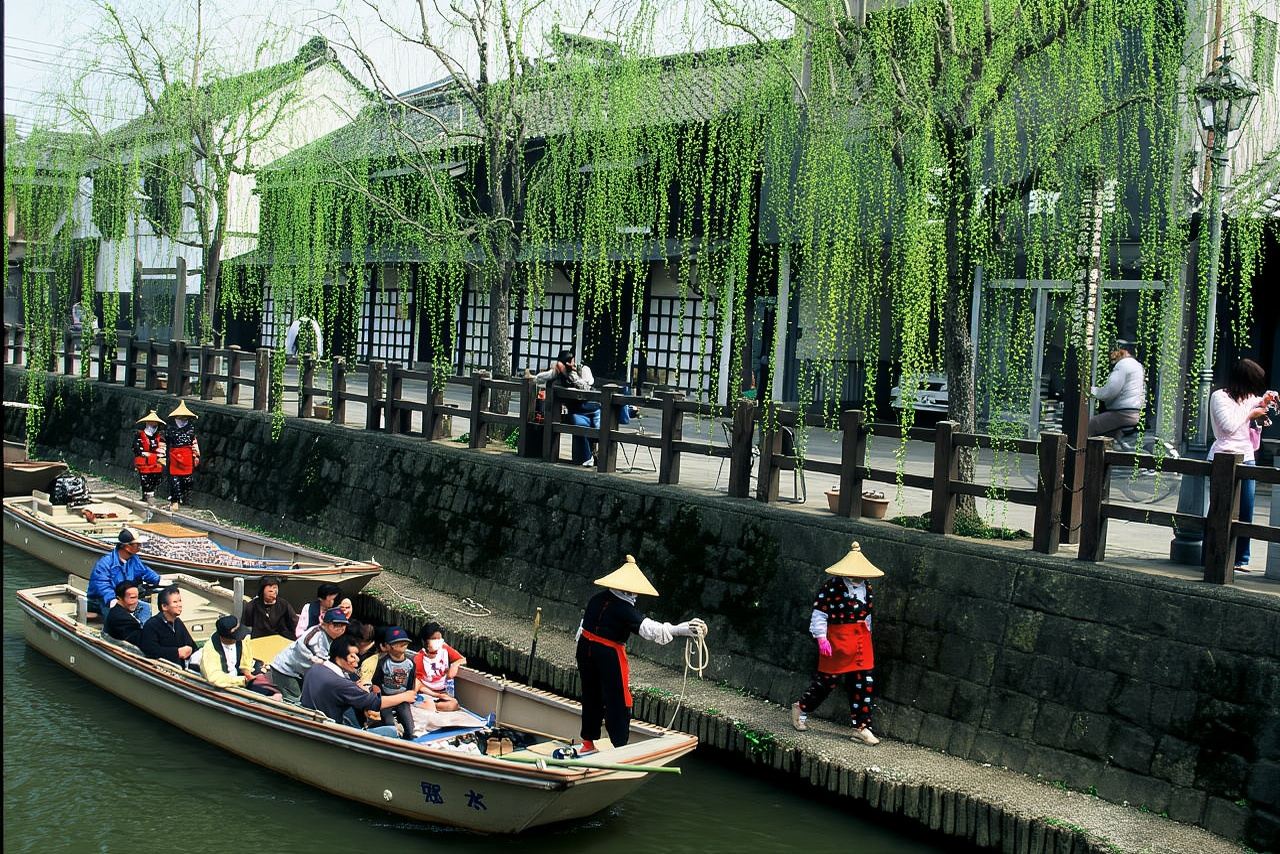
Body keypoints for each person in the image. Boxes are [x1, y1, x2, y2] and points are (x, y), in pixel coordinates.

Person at [573, 555, 706, 755]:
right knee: (618, 699)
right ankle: (620, 746)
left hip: (584, 648)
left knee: (591, 694)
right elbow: (649, 629)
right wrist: (681, 629)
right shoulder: (624, 609)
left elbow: (583, 625)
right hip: (608, 653)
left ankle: (588, 743)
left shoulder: (596, 599)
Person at [791, 542, 885, 745]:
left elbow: (867, 615)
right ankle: (801, 708)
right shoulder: (832, 586)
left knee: (864, 683)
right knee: (826, 682)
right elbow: (820, 614)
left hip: (861, 641)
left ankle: (861, 727)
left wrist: (867, 633)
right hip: (837, 641)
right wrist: (821, 637)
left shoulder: (867, 587)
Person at [1208, 358, 1279, 574]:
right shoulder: (1219, 397)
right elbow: (1228, 426)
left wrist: (1267, 403)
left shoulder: (1250, 398)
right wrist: (1251, 413)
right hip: (1223, 457)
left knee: (1246, 510)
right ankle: (1212, 555)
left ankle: (1241, 558)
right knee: (1220, 509)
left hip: (1247, 456)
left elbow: (1263, 410)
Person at [300, 636, 414, 736]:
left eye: (357, 655)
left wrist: (355, 688)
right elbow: (373, 702)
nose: (357, 660)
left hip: (313, 719)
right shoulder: (340, 684)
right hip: (334, 730)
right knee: (392, 731)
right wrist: (404, 696)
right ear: (338, 657)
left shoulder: (315, 668)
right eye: (352, 656)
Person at [268, 607, 349, 703]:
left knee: (301, 698)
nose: (340, 628)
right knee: (295, 701)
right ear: (325, 624)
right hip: (285, 669)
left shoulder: (329, 637)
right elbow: (319, 659)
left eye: (343, 625)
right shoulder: (318, 635)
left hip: (296, 672)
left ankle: (277, 697)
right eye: (336, 625)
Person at [87, 527, 163, 621]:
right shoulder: (105, 563)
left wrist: (158, 580)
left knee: (145, 608)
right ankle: (108, 633)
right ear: (127, 546)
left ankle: (144, 632)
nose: (140, 547)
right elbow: (102, 585)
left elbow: (144, 571)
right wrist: (112, 600)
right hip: (101, 600)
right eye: (137, 544)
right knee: (117, 616)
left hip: (124, 598)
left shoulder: (134, 559)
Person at [199, 615, 282, 698]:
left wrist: (248, 673)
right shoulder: (210, 650)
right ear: (226, 636)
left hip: (241, 676)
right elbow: (214, 678)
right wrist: (242, 680)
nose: (242, 635)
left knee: (272, 686)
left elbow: (246, 659)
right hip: (227, 684)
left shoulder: (244, 638)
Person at [545, 350, 601, 466]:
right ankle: (588, 456)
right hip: (577, 409)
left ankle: (593, 456)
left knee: (594, 424)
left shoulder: (571, 372)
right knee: (587, 420)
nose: (574, 364)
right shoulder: (564, 375)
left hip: (583, 407)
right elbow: (585, 388)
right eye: (572, 361)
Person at [1089, 340, 1145, 438]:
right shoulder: (1138, 366)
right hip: (1135, 413)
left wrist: (1089, 390)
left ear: (1123, 351)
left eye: (1115, 351)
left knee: (1087, 426)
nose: (1112, 354)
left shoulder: (1123, 365)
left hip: (1122, 414)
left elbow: (1109, 392)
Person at [371, 626, 419, 738]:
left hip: (403, 698)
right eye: (397, 643)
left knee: (410, 729)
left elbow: (411, 683)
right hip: (386, 698)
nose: (402, 645)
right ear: (387, 646)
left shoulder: (410, 663)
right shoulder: (383, 663)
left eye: (404, 642)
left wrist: (410, 695)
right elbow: (376, 683)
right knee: (389, 725)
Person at [139, 586, 198, 668]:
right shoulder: (151, 625)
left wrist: (190, 650)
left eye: (180, 601)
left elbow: (191, 645)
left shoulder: (178, 622)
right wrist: (177, 652)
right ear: (164, 606)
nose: (180, 605)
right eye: (175, 602)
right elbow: (150, 651)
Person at [411, 622, 462, 711]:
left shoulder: (445, 649)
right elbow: (418, 684)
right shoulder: (419, 658)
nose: (437, 642)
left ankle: (430, 706)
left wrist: (455, 665)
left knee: (454, 704)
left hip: (443, 692)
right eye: (434, 639)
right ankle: (422, 704)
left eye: (439, 638)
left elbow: (461, 659)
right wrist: (435, 695)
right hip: (427, 693)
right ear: (425, 641)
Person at [165, 401, 202, 511]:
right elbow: (166, 442)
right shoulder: (170, 428)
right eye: (181, 417)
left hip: (187, 454)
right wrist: (162, 456)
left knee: (188, 479)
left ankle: (186, 499)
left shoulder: (191, 428)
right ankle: (175, 500)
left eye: (185, 417)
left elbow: (194, 442)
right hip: (174, 454)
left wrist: (196, 455)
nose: (183, 418)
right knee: (174, 479)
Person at [240, 576, 298, 640]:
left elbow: (294, 622)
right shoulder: (252, 606)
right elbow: (245, 625)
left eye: (274, 588)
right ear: (262, 590)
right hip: (259, 639)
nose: (272, 591)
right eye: (269, 588)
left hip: (280, 638)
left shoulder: (284, 604)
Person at [132, 410, 167, 504]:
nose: (153, 426)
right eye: (151, 424)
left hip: (155, 462)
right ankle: (147, 495)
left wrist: (161, 455)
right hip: (144, 462)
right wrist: (144, 453)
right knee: (145, 479)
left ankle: (150, 494)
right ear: (147, 423)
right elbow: (136, 448)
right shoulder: (139, 435)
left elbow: (162, 449)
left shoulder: (160, 437)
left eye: (155, 425)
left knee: (155, 479)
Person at [103, 579, 146, 646]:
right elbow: (140, 642)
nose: (136, 601)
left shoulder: (116, 612)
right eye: (132, 598)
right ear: (119, 598)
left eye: (137, 597)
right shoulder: (122, 619)